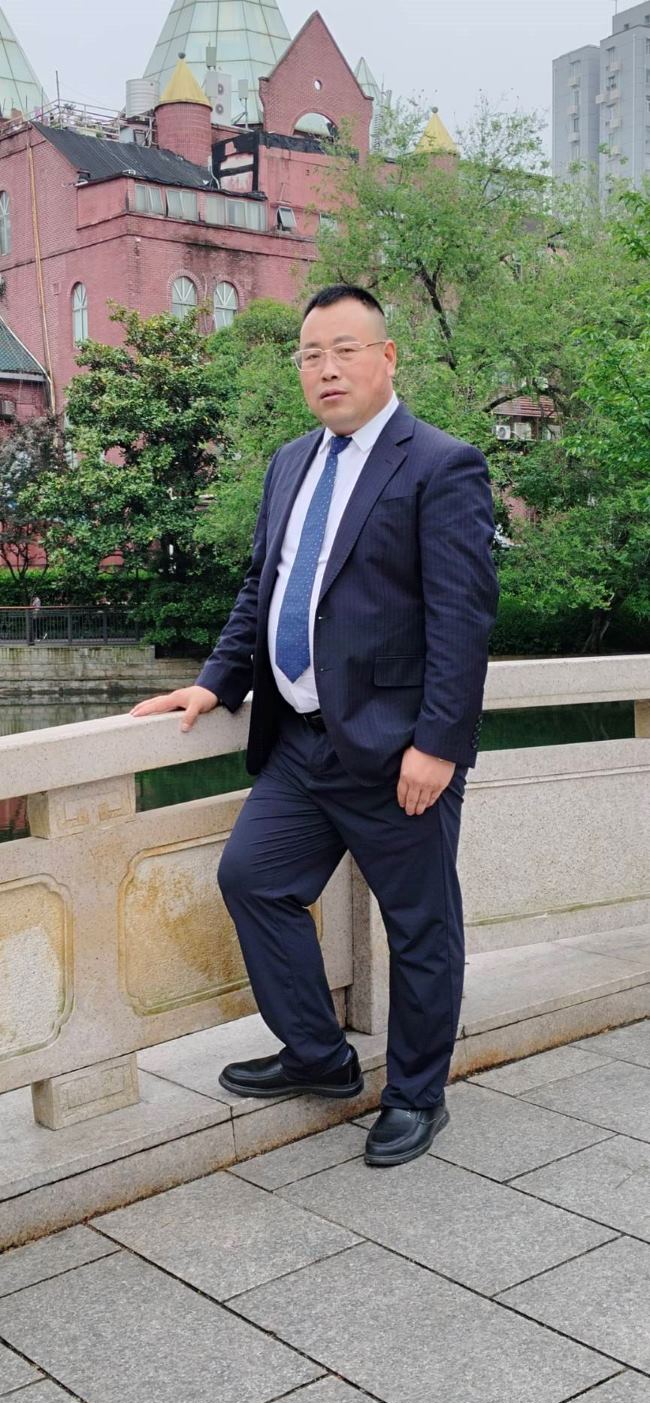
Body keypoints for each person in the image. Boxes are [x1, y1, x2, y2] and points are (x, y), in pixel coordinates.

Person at [131, 285, 499, 1168]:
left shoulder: (441, 465)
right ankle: (319, 1054)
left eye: (344, 349)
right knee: (252, 878)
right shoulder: (291, 462)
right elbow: (262, 589)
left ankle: (417, 1094)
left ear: (387, 356)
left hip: (398, 750)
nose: (326, 369)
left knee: (420, 927)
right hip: (298, 741)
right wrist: (214, 684)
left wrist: (438, 744)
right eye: (310, 354)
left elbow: (463, 620)